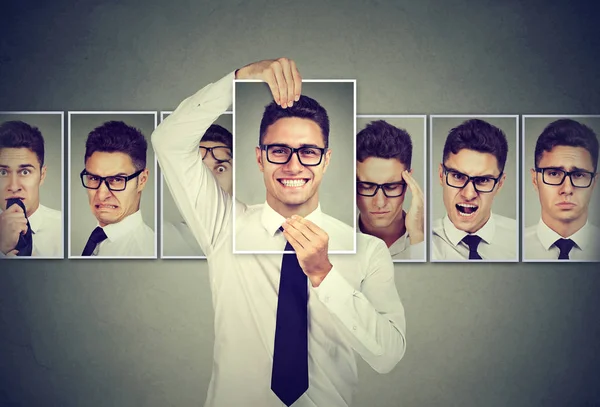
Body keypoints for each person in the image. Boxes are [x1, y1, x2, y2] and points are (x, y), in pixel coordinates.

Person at [152, 58, 405, 407]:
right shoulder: (223, 225)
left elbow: (388, 355)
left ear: (327, 159)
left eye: (309, 152)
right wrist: (240, 78)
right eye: (279, 150)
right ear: (259, 157)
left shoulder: (367, 250)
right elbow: (168, 140)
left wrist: (324, 275)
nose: (294, 164)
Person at [431, 119, 517, 261]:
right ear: (441, 175)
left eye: (483, 180)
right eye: (458, 176)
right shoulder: (420, 244)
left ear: (499, 184)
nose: (469, 194)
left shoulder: (520, 241)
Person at [524, 118, 600, 261]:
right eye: (553, 174)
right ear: (535, 180)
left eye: (578, 175)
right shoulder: (514, 248)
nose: (567, 189)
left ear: (594, 182)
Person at [79, 120, 154, 257]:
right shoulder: (99, 238)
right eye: (94, 178)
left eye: (117, 180)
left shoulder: (144, 253)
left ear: (142, 180)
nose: (101, 195)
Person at [356, 120, 425, 260]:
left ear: (408, 182)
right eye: (367, 187)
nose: (380, 202)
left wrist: (418, 236)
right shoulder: (334, 241)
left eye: (391, 187)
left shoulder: (434, 242)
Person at [162, 123, 233, 257]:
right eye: (200, 170)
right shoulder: (163, 238)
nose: (209, 180)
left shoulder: (257, 234)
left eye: (220, 169)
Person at [0, 120, 62, 258]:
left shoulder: (65, 230)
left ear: (42, 175)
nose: (14, 187)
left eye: (25, 172)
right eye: (2, 172)